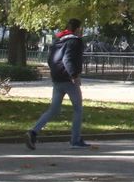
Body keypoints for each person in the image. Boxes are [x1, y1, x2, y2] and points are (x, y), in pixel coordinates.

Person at [26, 18, 93, 149]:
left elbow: (51, 59)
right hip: (69, 80)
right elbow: (68, 59)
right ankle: (75, 140)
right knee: (78, 109)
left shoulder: (59, 41)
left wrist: (55, 73)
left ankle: (33, 132)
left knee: (54, 109)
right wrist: (74, 75)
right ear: (78, 28)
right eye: (81, 28)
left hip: (57, 79)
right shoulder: (75, 41)